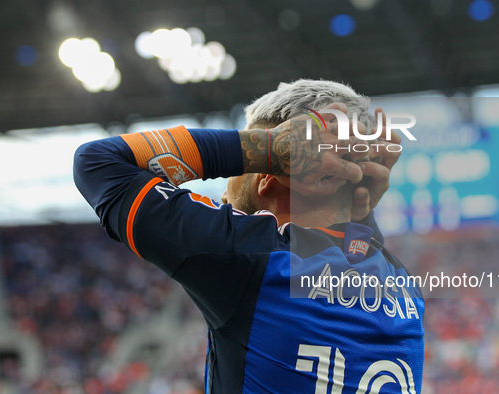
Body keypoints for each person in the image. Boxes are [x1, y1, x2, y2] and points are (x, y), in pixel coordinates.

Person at [74, 79, 424, 394]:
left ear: (270, 178)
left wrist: (267, 149)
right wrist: (357, 207)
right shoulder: (401, 284)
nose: (225, 196)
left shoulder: (256, 260)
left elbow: (98, 162)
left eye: (245, 166)